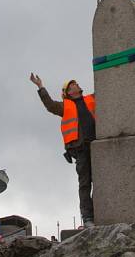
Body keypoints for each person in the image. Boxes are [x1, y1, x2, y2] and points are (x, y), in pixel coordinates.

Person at [29, 73, 96, 227]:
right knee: (85, 182)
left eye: (76, 83)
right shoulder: (64, 106)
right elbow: (49, 105)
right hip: (80, 149)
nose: (76, 85)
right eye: (72, 85)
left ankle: (100, 212)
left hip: (97, 145)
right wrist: (40, 87)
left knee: (100, 180)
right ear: (68, 92)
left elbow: (105, 87)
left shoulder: (90, 99)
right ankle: (87, 217)